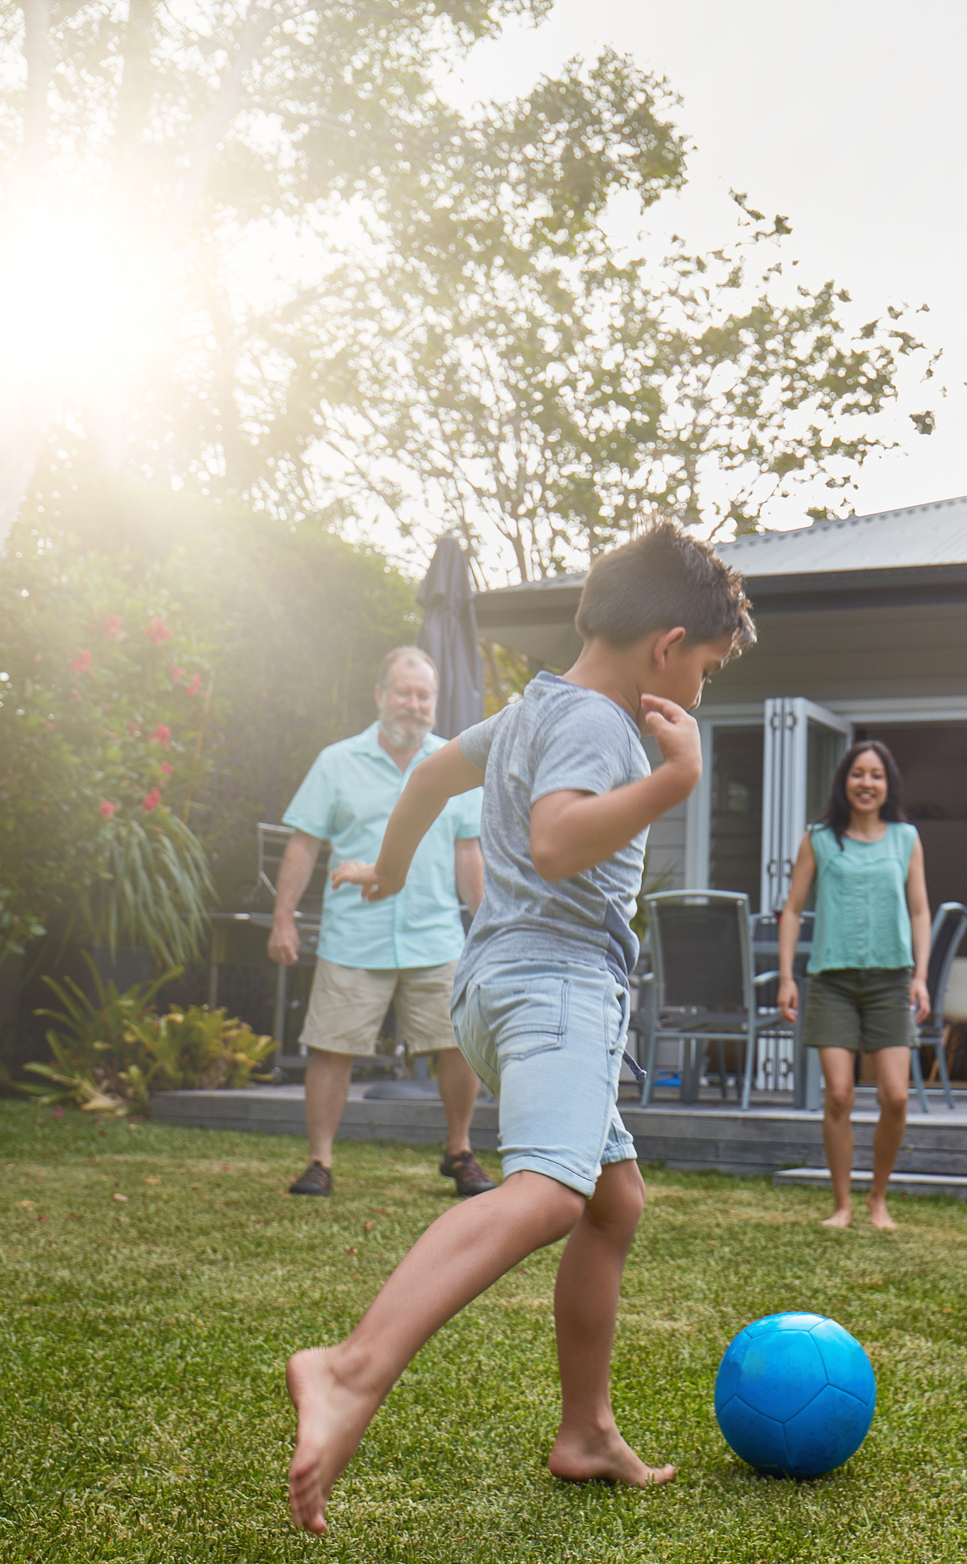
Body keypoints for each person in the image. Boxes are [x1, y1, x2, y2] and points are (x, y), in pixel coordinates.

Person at [285, 523, 753, 1532]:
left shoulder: (535, 705)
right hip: (558, 987)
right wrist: (675, 782)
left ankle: (584, 1429)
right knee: (548, 1192)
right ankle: (348, 1367)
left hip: (493, 983)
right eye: (707, 668)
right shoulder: (599, 721)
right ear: (668, 645)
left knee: (612, 1200)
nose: (701, 691)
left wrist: (393, 866)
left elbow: (427, 779)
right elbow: (551, 842)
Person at [271, 647, 493, 1199]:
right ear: (379, 695)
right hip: (354, 934)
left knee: (459, 1042)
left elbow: (470, 854)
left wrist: (487, 924)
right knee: (330, 1046)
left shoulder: (456, 763)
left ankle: (459, 1151)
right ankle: (319, 1162)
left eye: (424, 696)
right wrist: (284, 919)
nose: (414, 705)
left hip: (435, 931)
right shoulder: (336, 761)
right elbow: (303, 845)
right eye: (404, 692)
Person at [777, 741, 931, 1232]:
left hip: (891, 980)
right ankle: (842, 1204)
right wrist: (785, 977)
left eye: (877, 775)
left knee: (896, 1096)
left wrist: (922, 977)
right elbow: (794, 910)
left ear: (888, 785)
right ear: (845, 782)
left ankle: (878, 1199)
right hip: (832, 981)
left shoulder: (906, 839)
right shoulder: (819, 839)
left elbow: (920, 910)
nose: (867, 783)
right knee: (839, 1094)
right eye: (858, 774)